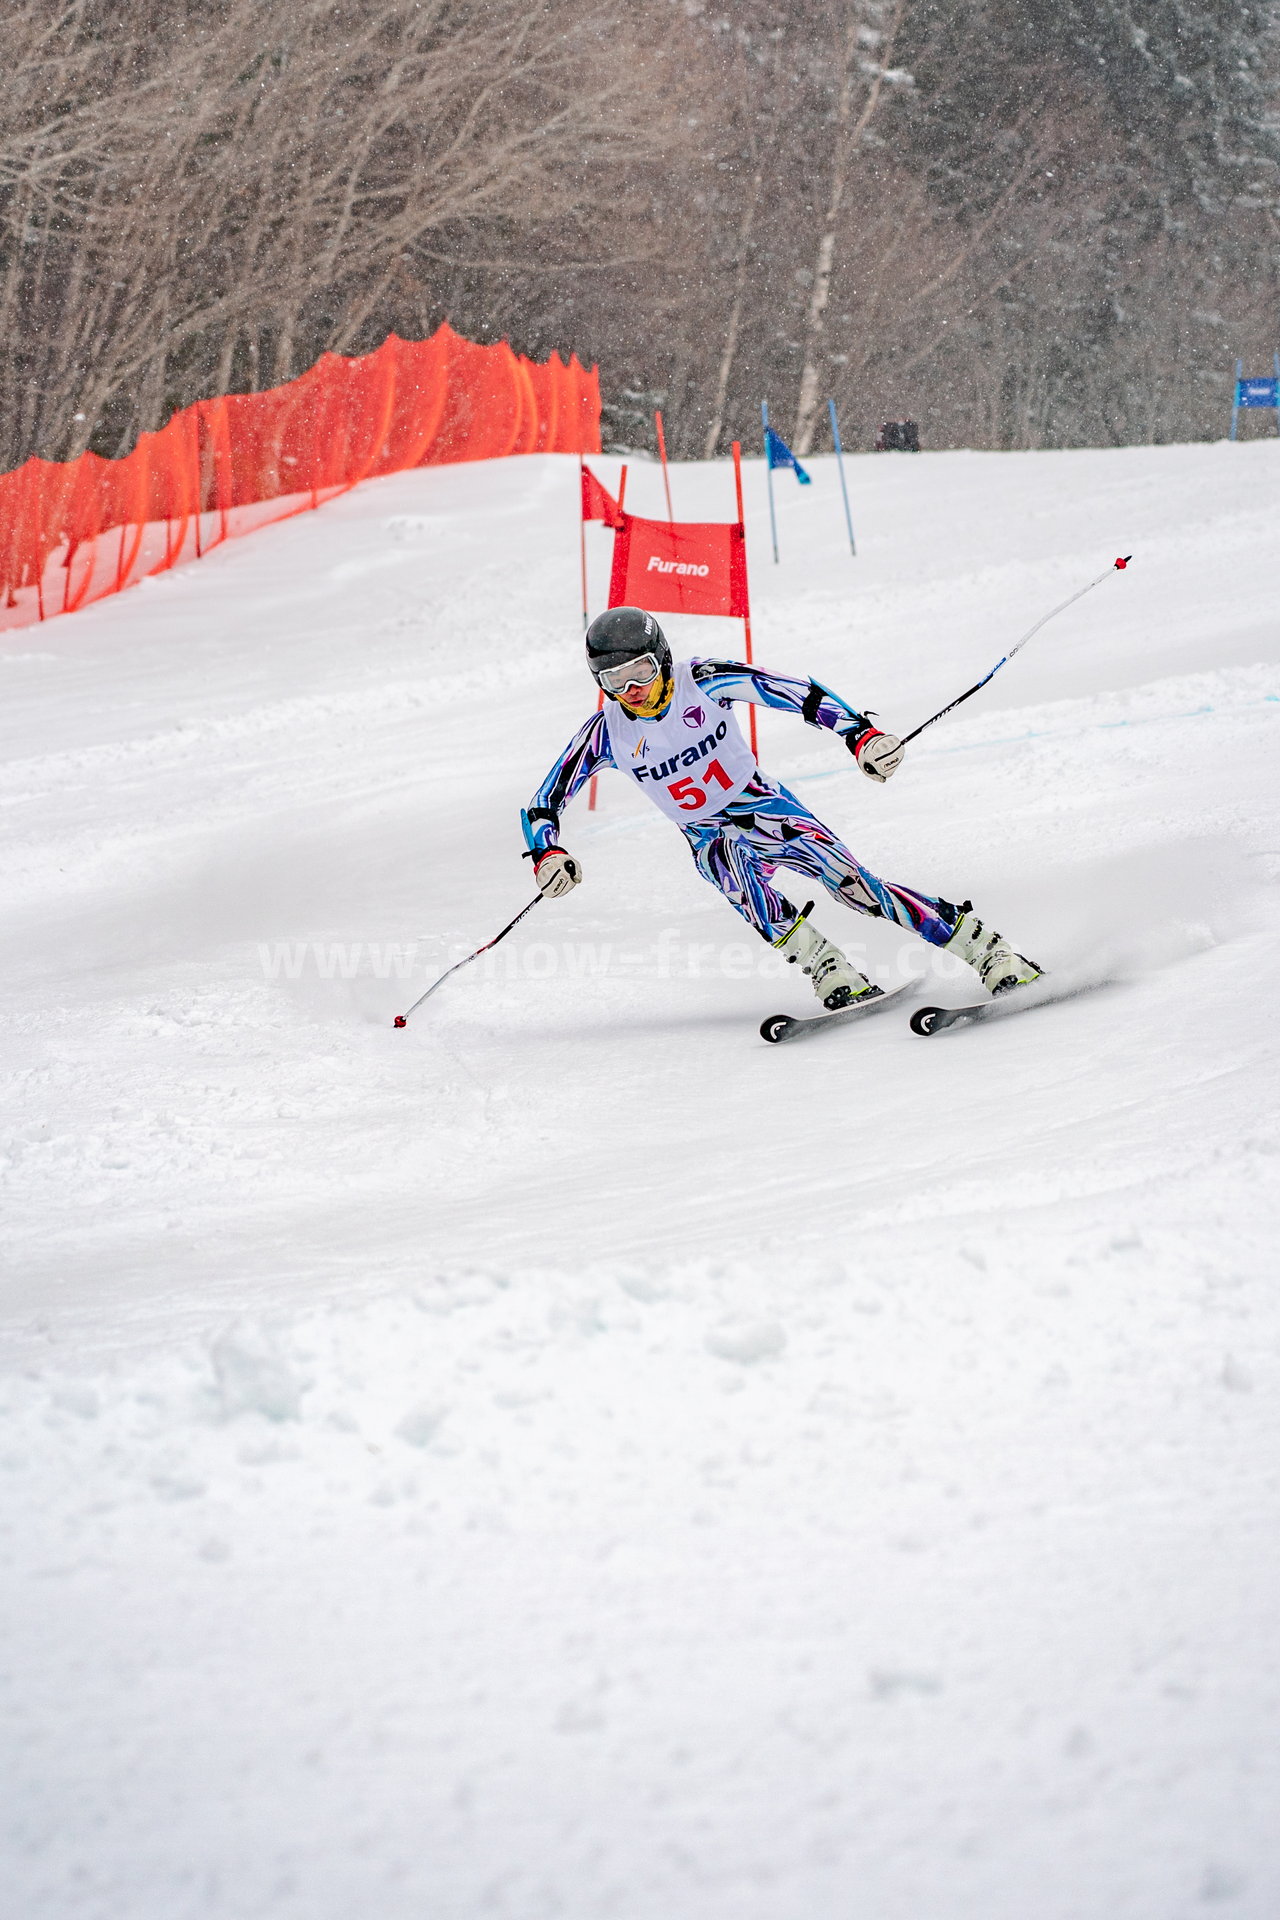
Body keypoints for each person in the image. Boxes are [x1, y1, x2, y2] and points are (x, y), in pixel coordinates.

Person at [521, 606, 1040, 1010]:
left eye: (640, 671)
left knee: (857, 889)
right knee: (740, 884)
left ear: (661, 656)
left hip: (765, 806)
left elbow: (798, 694)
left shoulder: (702, 679)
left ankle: (987, 950)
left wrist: (860, 735)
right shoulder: (607, 732)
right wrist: (547, 853)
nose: (632, 690)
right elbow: (545, 802)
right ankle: (827, 969)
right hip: (706, 834)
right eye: (614, 681)